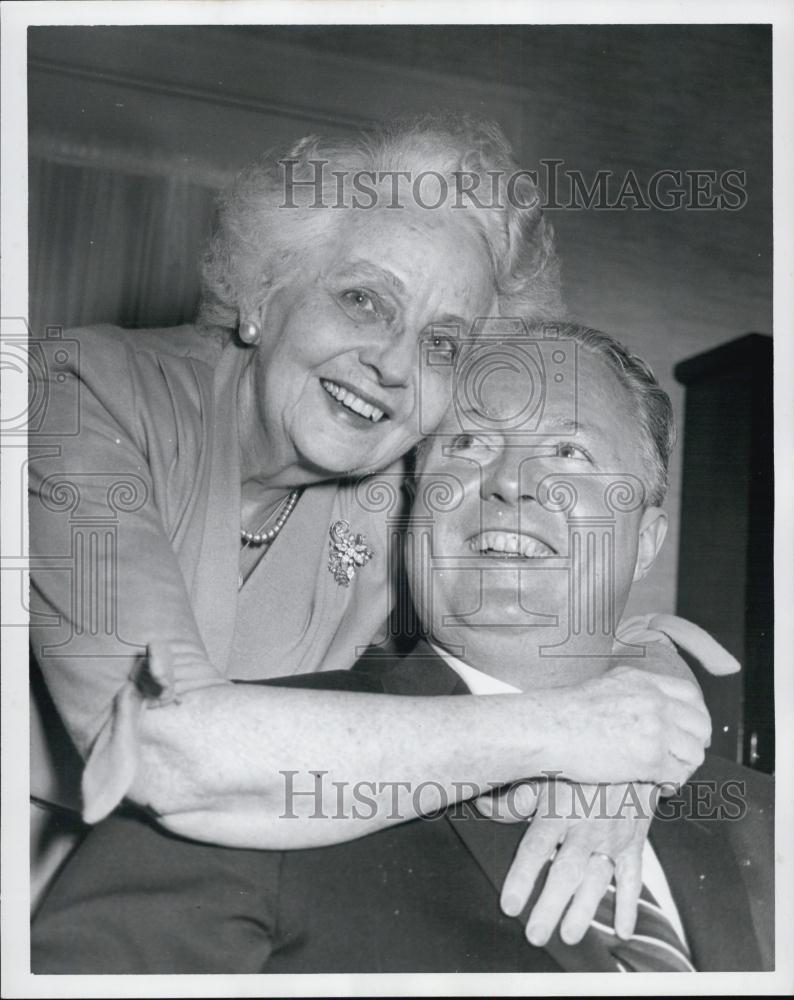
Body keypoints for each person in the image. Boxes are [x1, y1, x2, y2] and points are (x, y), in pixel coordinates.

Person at [30, 115, 713, 959]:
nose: (392, 363)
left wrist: (625, 767)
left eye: (442, 343)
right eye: (362, 299)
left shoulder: (389, 479)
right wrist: (574, 732)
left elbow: (562, 591)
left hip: (217, 880)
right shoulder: (79, 397)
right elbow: (167, 753)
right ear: (260, 293)